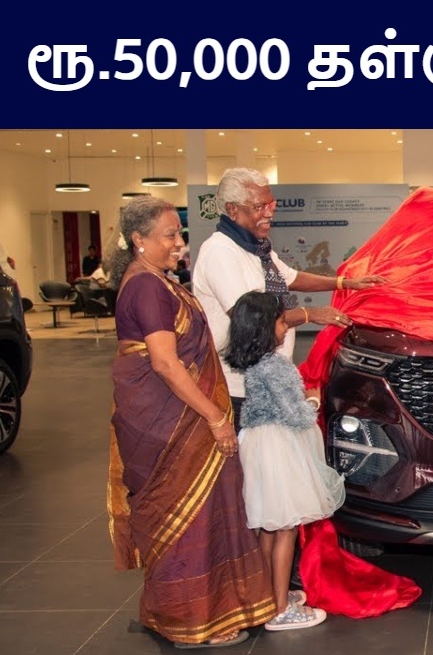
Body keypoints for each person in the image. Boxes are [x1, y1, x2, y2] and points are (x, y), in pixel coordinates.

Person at [105, 196, 276, 648]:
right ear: (138, 240)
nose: (179, 243)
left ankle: (188, 611)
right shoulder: (146, 286)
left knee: (201, 512)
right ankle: (190, 621)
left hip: (173, 415)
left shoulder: (153, 280)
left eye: (178, 234)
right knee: (188, 517)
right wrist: (216, 417)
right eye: (169, 235)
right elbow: (165, 363)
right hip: (169, 422)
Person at [192, 167, 388, 421]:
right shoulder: (220, 252)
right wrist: (310, 314)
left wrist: (346, 283)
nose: (269, 213)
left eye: (271, 204)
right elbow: (250, 319)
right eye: (260, 207)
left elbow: (291, 277)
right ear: (233, 210)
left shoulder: (257, 248)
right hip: (239, 386)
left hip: (271, 376)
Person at [223, 291, 344, 631]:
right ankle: (279, 609)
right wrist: (314, 401)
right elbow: (295, 415)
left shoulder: (255, 364)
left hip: (260, 443)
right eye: (280, 321)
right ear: (264, 327)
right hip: (278, 448)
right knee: (286, 528)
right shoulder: (274, 366)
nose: (285, 326)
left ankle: (265, 596)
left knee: (269, 526)